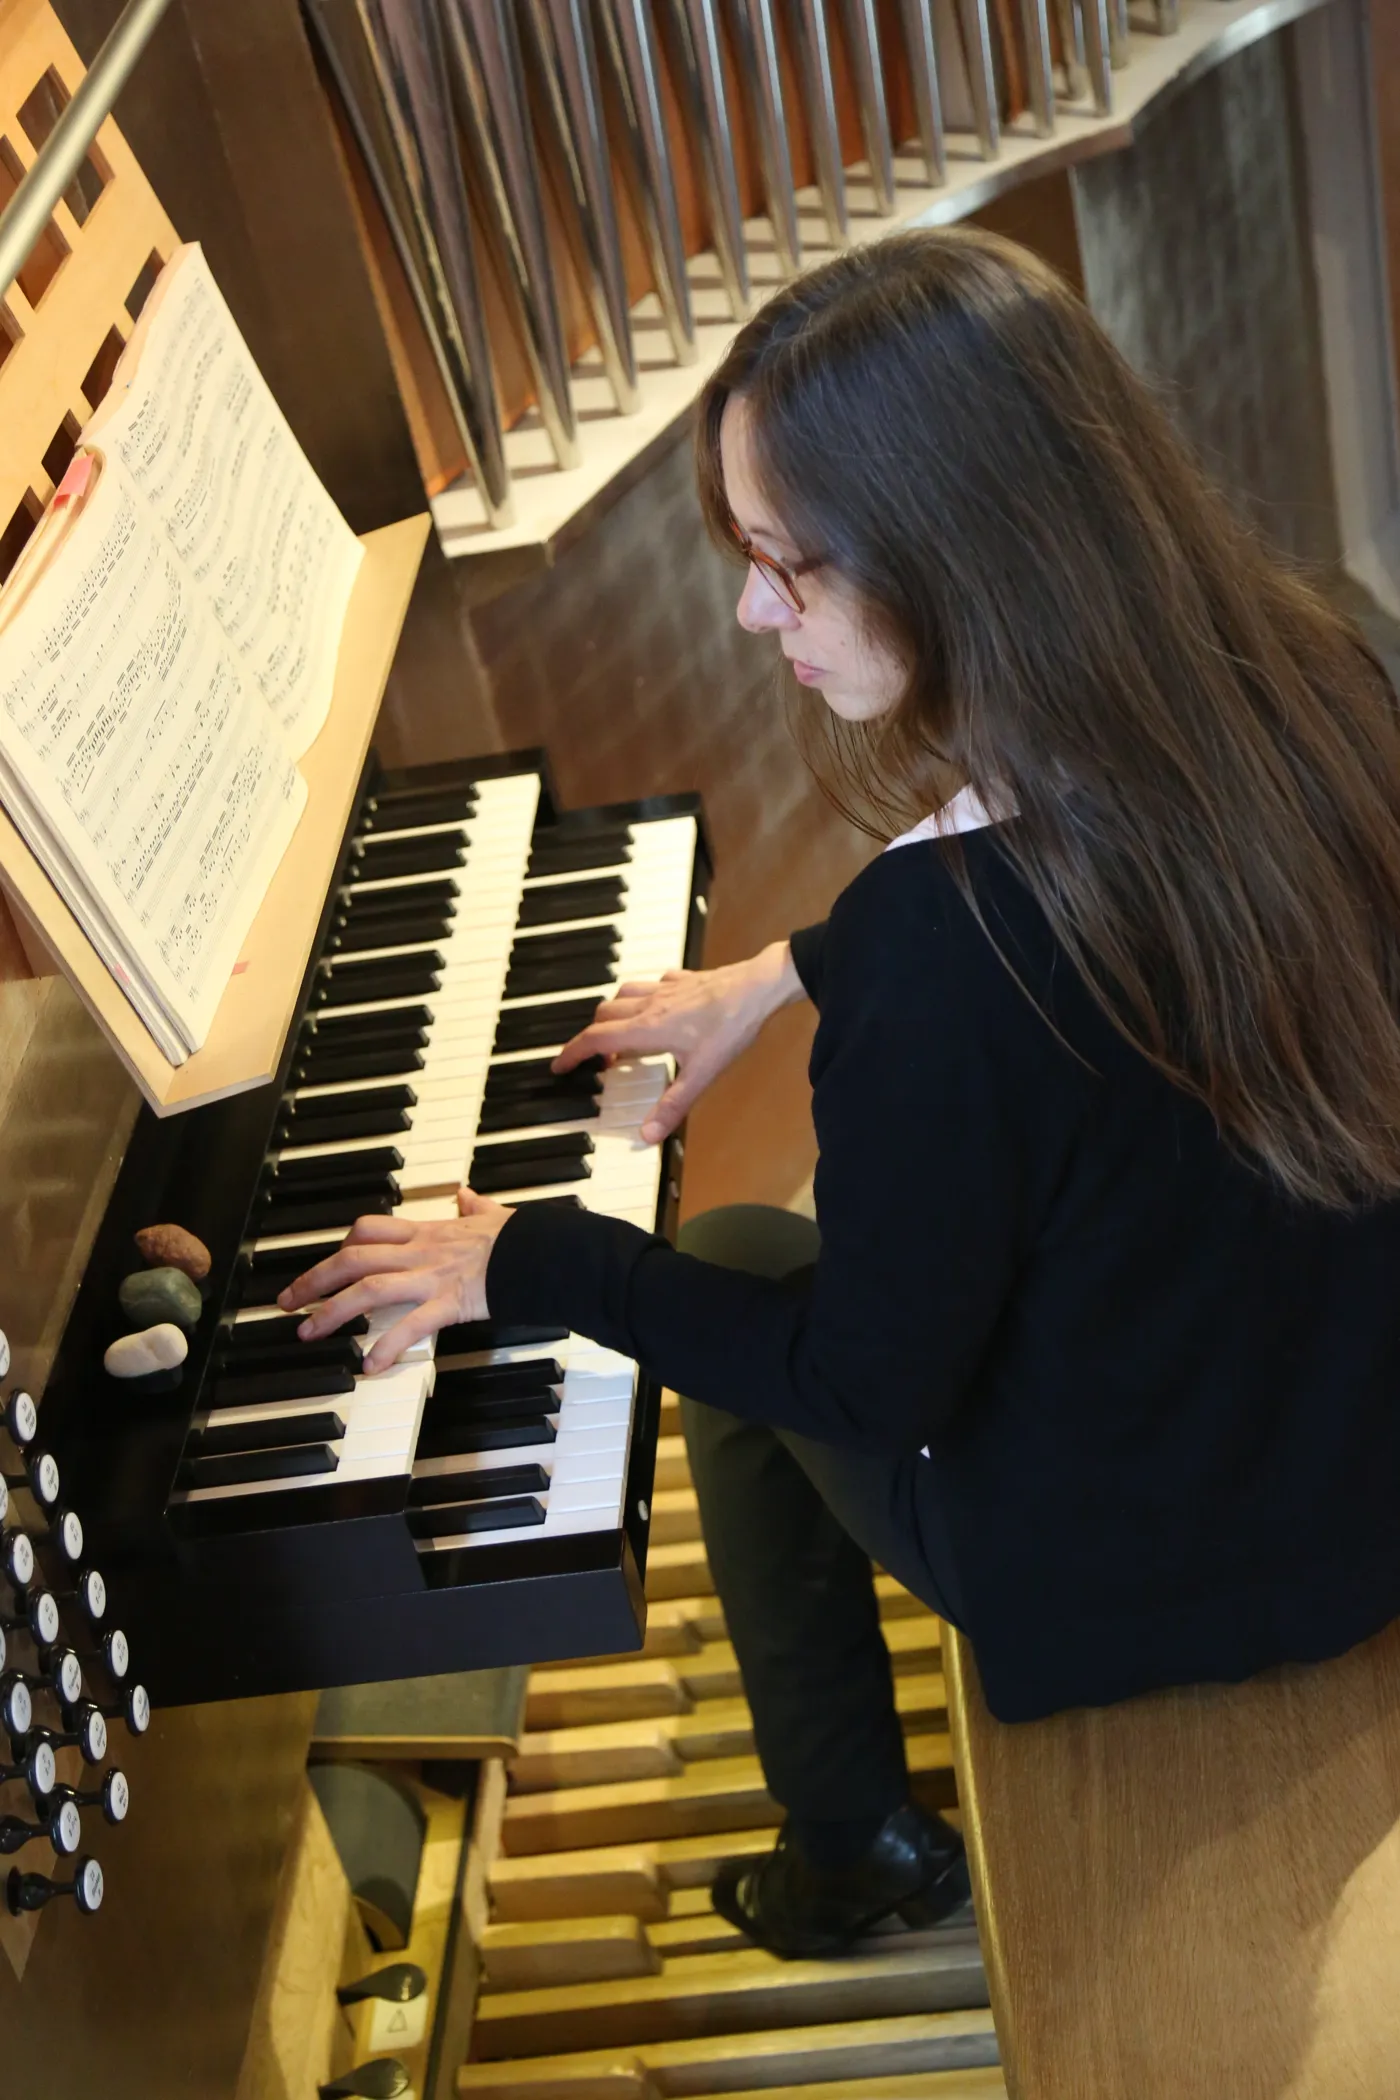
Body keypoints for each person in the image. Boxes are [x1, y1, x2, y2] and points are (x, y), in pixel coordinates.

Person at [280, 228, 1400, 1958]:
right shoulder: (1319, 663)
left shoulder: (942, 968)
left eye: (787, 568)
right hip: (1353, 1431)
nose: (749, 613)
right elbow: (1097, 898)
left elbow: (866, 1389)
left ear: (958, 562)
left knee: (725, 1260)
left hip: (1159, 1568)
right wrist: (786, 973)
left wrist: (533, 1261)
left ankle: (853, 1843)